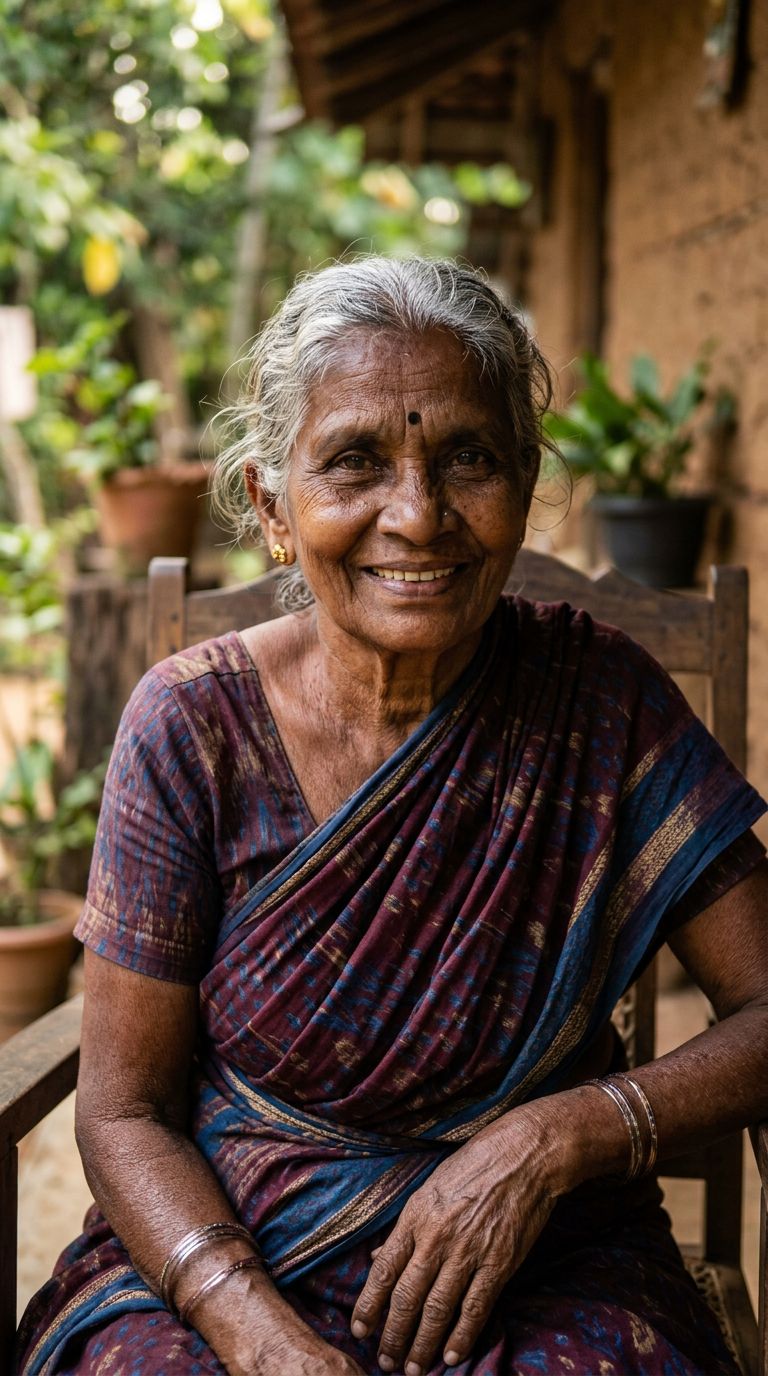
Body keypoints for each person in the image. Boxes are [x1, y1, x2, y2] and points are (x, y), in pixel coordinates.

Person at [17, 257, 768, 1376]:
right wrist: (259, 1335)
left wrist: (554, 1137)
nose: (418, 515)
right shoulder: (190, 728)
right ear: (273, 505)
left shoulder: (602, 704)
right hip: (233, 1259)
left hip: (547, 1260)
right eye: (357, 459)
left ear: (523, 482)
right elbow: (122, 1109)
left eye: (468, 456)